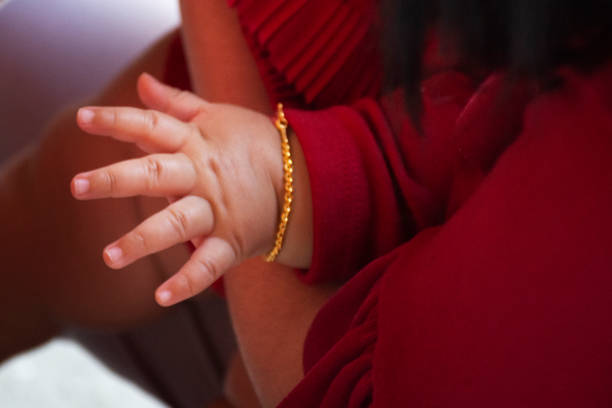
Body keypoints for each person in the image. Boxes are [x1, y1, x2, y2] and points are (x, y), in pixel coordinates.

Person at [3, 0, 612, 407]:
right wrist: (273, 173)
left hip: (370, 314)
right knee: (67, 204)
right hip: (326, 79)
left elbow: (318, 382)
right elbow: (440, 141)